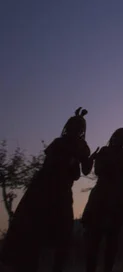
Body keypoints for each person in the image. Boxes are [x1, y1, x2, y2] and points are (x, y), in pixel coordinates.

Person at [0, 108, 92, 272]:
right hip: (46, 191)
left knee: (58, 235)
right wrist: (73, 161)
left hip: (51, 191)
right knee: (38, 233)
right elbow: (60, 167)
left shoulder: (74, 145)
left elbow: (83, 169)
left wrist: (86, 159)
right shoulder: (62, 143)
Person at [82, 127, 123, 272]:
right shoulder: (105, 151)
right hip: (102, 196)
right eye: (117, 136)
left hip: (115, 196)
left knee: (112, 239)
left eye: (121, 137)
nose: (118, 139)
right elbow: (99, 170)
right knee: (95, 238)